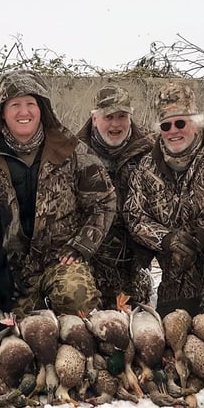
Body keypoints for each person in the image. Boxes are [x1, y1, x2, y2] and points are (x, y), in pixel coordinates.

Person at [0, 70, 116, 318]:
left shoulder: (73, 153)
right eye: (15, 105)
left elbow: (104, 202)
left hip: (61, 261)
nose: (24, 112)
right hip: (6, 268)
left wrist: (81, 246)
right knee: (11, 331)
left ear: (42, 109)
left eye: (31, 103)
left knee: (78, 299)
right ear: (2, 113)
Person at [124, 81, 204, 318]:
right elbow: (134, 216)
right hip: (178, 264)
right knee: (176, 322)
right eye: (166, 125)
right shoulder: (147, 166)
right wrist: (166, 239)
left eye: (180, 123)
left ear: (196, 124)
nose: (173, 131)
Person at [77, 84, 156, 308]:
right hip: (92, 253)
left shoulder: (151, 149)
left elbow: (185, 140)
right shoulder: (74, 153)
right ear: (94, 119)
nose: (115, 124)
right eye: (108, 116)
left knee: (136, 321)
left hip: (135, 255)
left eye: (122, 116)